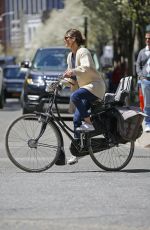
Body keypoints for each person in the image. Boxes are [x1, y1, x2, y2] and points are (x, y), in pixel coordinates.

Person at [63, 28, 106, 164]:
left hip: (95, 87)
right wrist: (60, 83)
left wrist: (72, 71)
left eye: (67, 38)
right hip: (85, 89)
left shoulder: (83, 52)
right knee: (76, 120)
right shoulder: (70, 56)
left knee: (75, 96)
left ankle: (89, 123)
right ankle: (79, 151)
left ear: (74, 39)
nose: (65, 40)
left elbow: (86, 67)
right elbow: (73, 78)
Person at [136, 31, 150, 132]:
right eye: (146, 38)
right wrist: (141, 76)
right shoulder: (142, 52)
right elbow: (137, 65)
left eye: (149, 38)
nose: (148, 40)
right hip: (145, 80)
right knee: (147, 103)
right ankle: (148, 123)